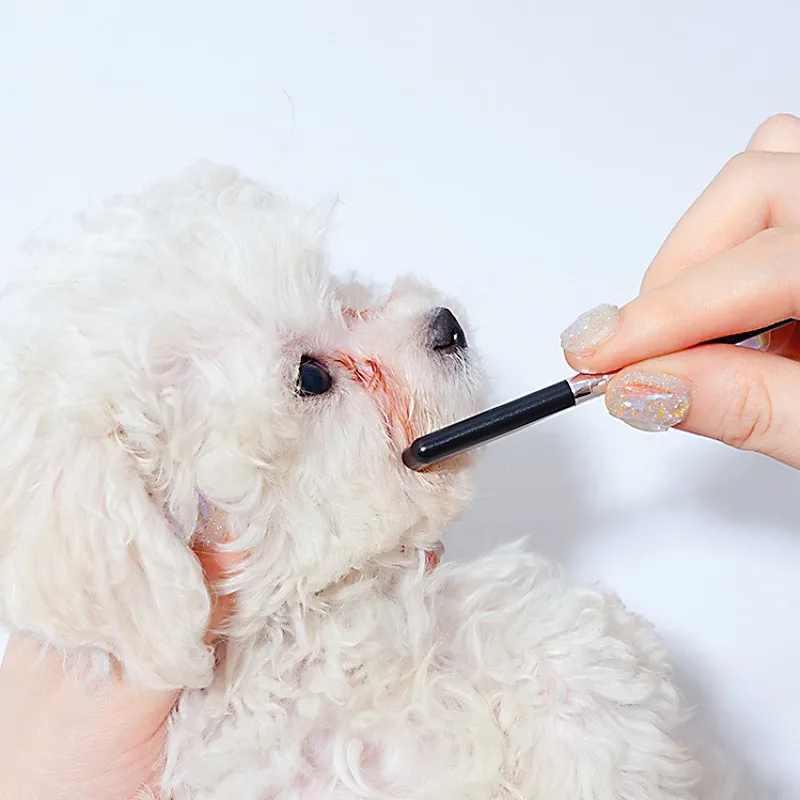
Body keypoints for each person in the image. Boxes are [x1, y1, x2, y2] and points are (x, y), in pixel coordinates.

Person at [2, 113, 800, 799]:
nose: (418, 320)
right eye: (314, 377)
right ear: (165, 523)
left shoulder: (516, 642)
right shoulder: (164, 749)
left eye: (351, 300)